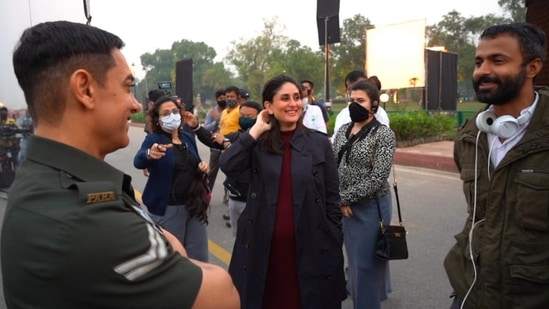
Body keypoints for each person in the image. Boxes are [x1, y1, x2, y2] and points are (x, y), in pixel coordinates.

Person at [1, 20, 239, 309]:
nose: (136, 105)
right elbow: (222, 296)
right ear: (85, 89)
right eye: (127, 87)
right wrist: (172, 247)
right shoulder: (88, 218)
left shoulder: (43, 180)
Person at [444, 23, 549, 308]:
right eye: (479, 61)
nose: (483, 71)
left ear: (532, 67)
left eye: (498, 60)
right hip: (471, 291)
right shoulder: (469, 137)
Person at [221, 74, 346, 308]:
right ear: (269, 106)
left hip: (311, 248)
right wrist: (257, 128)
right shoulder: (257, 142)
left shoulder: (318, 143)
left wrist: (333, 238)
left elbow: (332, 198)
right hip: (264, 248)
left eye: (297, 97)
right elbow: (228, 164)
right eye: (285, 98)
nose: (293, 104)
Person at [332, 80, 396, 309]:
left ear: (374, 105)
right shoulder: (342, 130)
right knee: (355, 264)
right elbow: (332, 164)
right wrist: (339, 198)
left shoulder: (384, 135)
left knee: (365, 267)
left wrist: (345, 198)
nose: (354, 105)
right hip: (342, 206)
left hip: (371, 207)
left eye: (360, 101)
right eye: (351, 100)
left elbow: (378, 177)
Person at [134, 96, 211, 262]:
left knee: (199, 257)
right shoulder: (154, 140)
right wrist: (149, 154)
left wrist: (202, 167)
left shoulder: (188, 137)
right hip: (168, 208)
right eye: (165, 113)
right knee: (173, 259)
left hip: (194, 204)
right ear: (157, 119)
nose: (172, 116)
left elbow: (194, 161)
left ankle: (199, 287)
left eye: (175, 112)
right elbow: (138, 161)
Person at [332, 71, 390, 141]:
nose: (356, 91)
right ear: (346, 90)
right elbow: (335, 141)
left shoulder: (379, 114)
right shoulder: (342, 115)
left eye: (361, 86)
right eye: (351, 88)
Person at [204, 89, 227, 191]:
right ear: (217, 99)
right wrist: (217, 121)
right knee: (212, 172)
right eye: (220, 98)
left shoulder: (231, 111)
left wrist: (219, 118)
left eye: (225, 98)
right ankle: (206, 194)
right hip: (216, 147)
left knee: (230, 171)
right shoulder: (212, 112)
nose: (223, 100)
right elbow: (206, 127)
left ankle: (229, 195)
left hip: (228, 144)